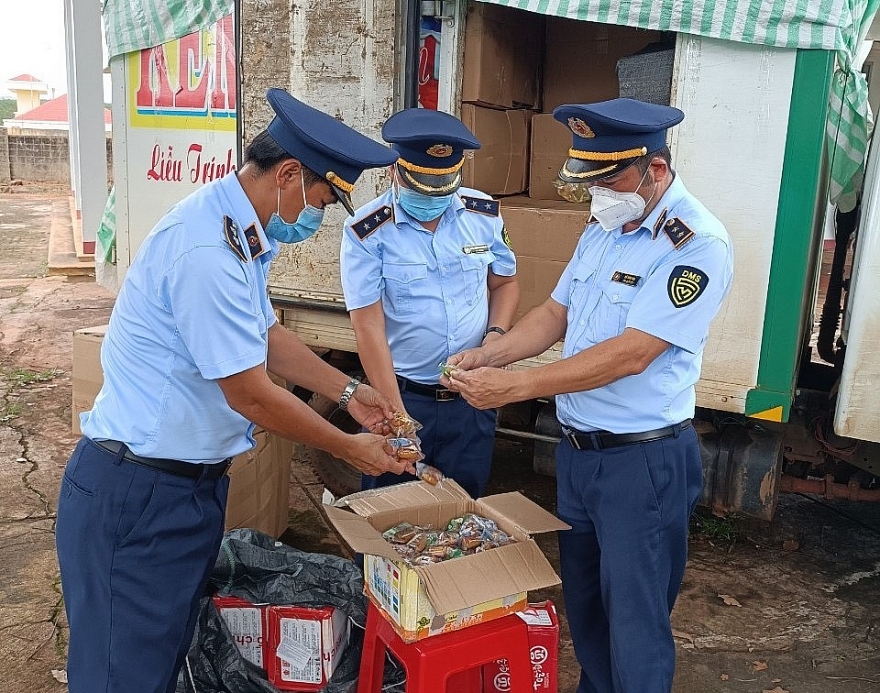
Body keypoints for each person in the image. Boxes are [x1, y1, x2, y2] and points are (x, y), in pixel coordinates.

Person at [55, 88, 413, 693]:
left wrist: (349, 391)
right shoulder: (207, 251)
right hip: (138, 493)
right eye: (321, 201)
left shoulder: (240, 233)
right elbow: (250, 395)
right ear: (289, 174)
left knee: (165, 655)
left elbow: (265, 335)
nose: (318, 219)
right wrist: (349, 448)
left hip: (182, 491)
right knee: (122, 674)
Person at [443, 98, 734, 693]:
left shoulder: (694, 243)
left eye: (609, 179)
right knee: (587, 610)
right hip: (579, 455)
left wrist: (517, 386)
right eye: (591, 180)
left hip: (641, 463)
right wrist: (491, 353)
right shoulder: (604, 227)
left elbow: (633, 353)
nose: (598, 193)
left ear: (655, 168)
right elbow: (556, 312)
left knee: (635, 621)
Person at [340, 107, 519, 499]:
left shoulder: (483, 214)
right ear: (395, 171)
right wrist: (398, 416)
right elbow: (368, 326)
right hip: (403, 397)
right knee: (390, 509)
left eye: (442, 188)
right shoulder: (368, 232)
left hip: (471, 401)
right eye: (421, 187)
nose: (432, 199)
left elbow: (505, 283)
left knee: (465, 511)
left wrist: (495, 338)